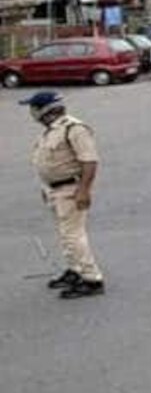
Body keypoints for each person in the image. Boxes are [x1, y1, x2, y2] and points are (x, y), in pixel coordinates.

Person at [22, 91, 105, 298]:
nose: (31, 113)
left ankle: (91, 279)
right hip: (55, 189)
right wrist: (47, 188)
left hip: (71, 189)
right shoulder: (52, 130)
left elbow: (89, 161)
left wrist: (84, 191)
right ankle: (75, 270)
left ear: (45, 110)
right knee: (65, 234)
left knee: (73, 235)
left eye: (34, 108)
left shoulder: (74, 129)